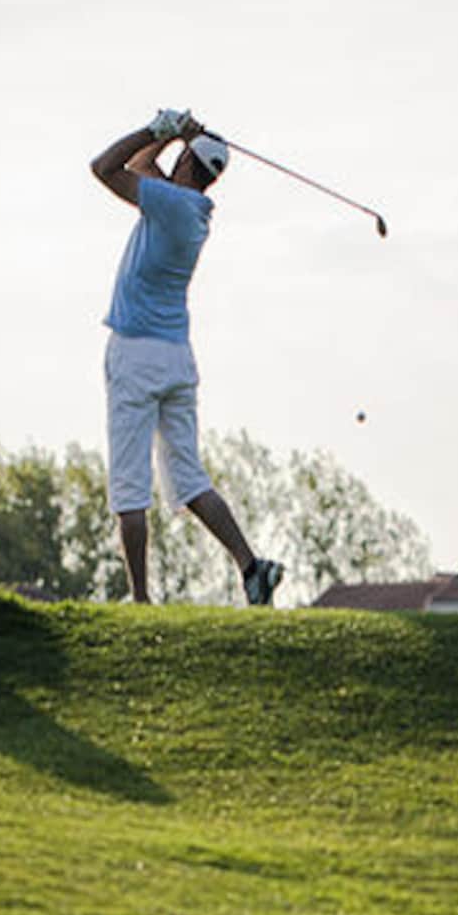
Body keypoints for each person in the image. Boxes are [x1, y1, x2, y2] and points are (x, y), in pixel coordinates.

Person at [89, 109, 283, 606]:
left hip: (136, 354)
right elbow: (141, 167)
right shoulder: (191, 209)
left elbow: (105, 167)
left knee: (130, 487)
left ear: (189, 165)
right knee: (189, 479)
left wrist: (157, 130)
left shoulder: (171, 203)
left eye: (181, 157)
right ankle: (252, 568)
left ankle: (140, 600)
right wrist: (172, 137)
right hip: (176, 356)